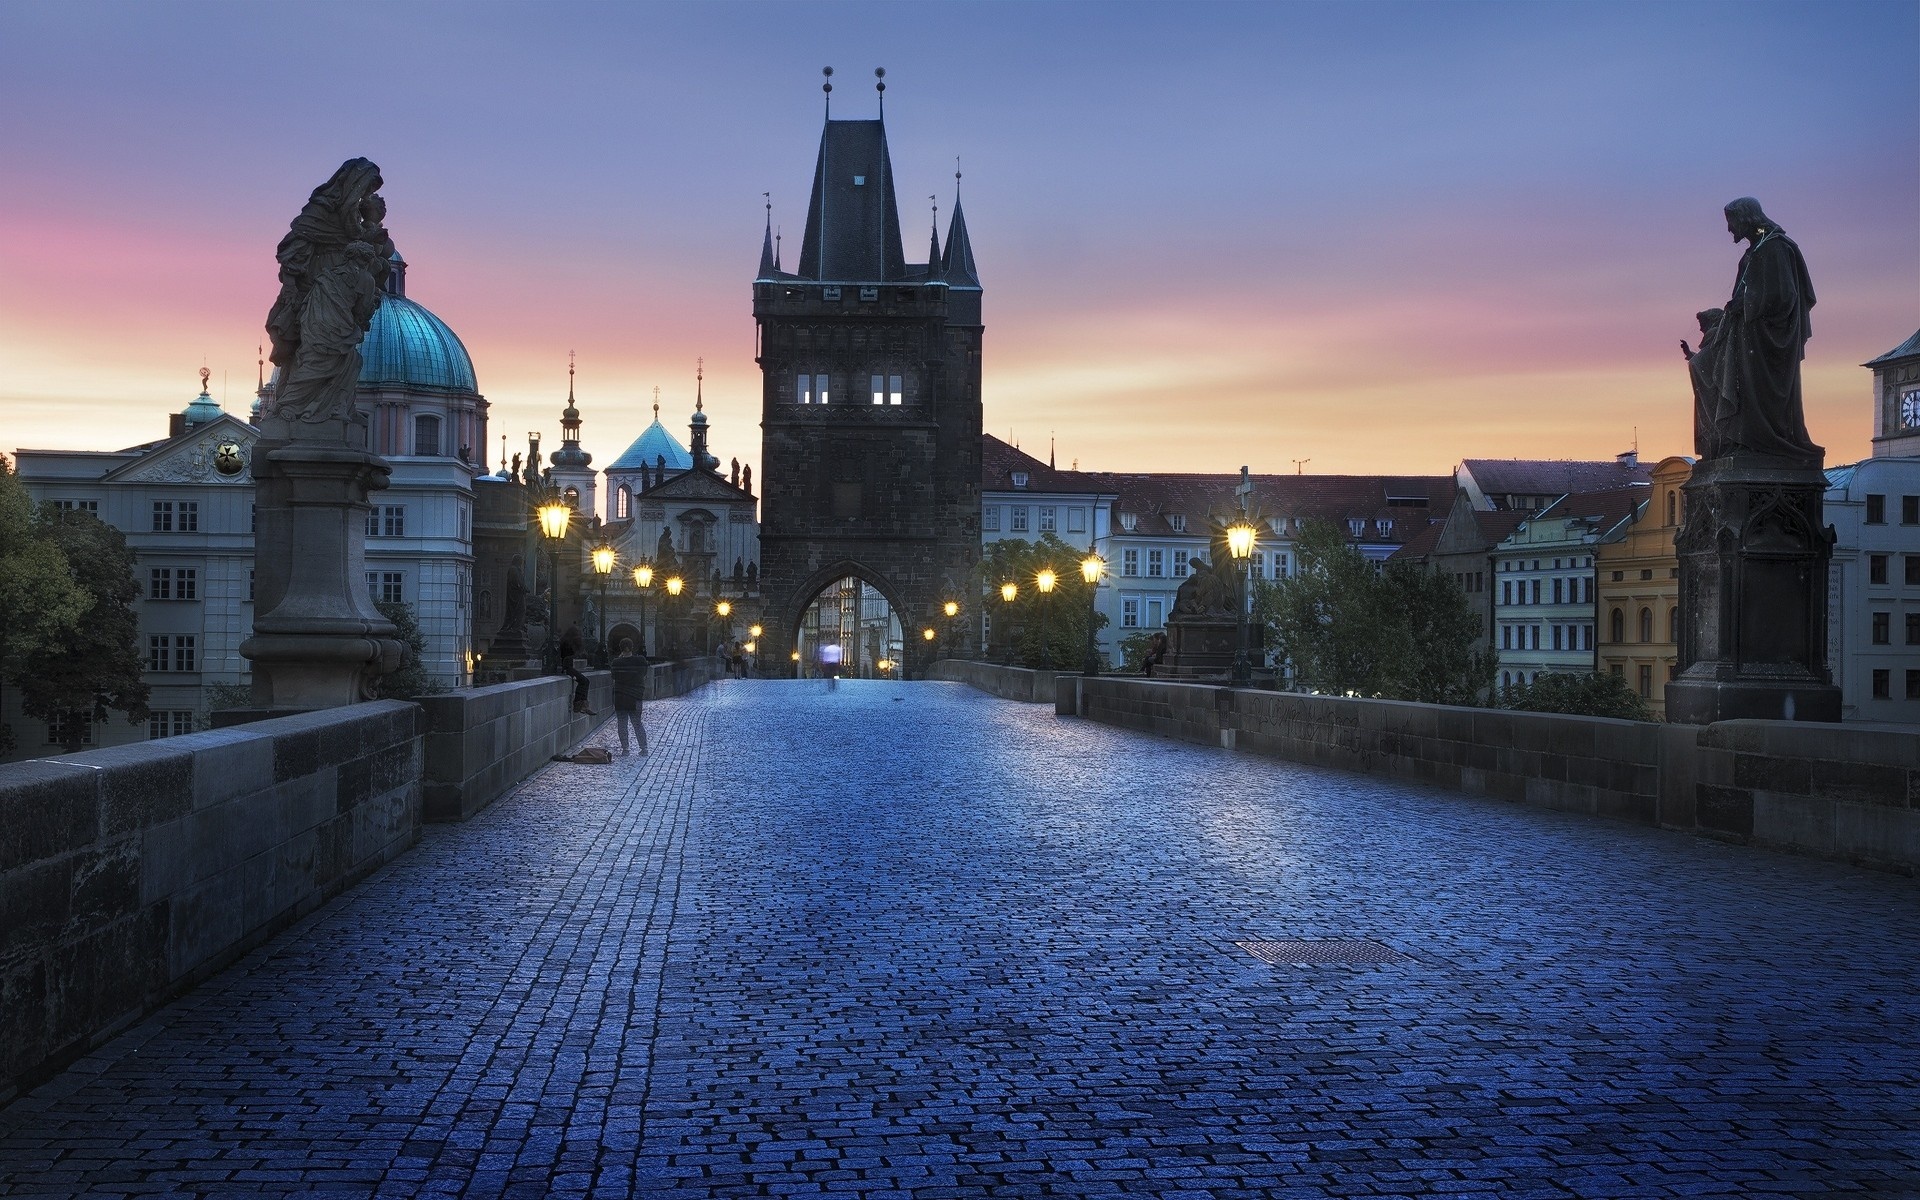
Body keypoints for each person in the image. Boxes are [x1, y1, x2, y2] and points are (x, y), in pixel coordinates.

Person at [1707, 197, 1821, 463]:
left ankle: (1762, 440)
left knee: (1756, 388)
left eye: (1731, 222)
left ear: (1746, 218)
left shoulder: (1775, 248)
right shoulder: (1757, 249)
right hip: (1749, 334)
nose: (1729, 230)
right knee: (1725, 376)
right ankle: (1744, 439)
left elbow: (1784, 295)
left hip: (1768, 340)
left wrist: (1744, 305)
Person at [609, 637, 648, 755]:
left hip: (620, 696)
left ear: (620, 648)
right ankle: (643, 747)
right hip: (635, 696)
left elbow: (614, 677)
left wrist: (621, 658)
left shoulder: (616, 662)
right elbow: (644, 673)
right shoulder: (640, 661)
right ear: (632, 647)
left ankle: (625, 748)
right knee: (637, 722)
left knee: (622, 722)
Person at [558, 624, 590, 713]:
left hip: (567, 667)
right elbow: (567, 657)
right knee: (584, 681)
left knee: (585, 681)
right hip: (566, 668)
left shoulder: (566, 642)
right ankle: (579, 704)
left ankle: (582, 705)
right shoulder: (568, 644)